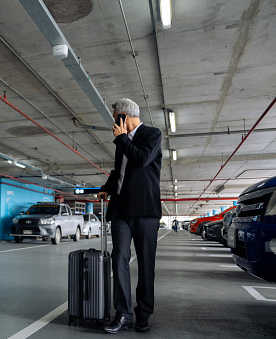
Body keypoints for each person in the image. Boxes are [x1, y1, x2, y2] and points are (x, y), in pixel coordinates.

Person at [97, 98, 162, 334]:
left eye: (116, 117)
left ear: (124, 116)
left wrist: (123, 139)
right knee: (119, 259)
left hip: (145, 211)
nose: (114, 122)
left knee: (146, 264)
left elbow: (142, 160)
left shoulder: (152, 135)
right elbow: (120, 171)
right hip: (122, 210)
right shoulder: (120, 144)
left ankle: (143, 314)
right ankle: (123, 314)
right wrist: (107, 186)